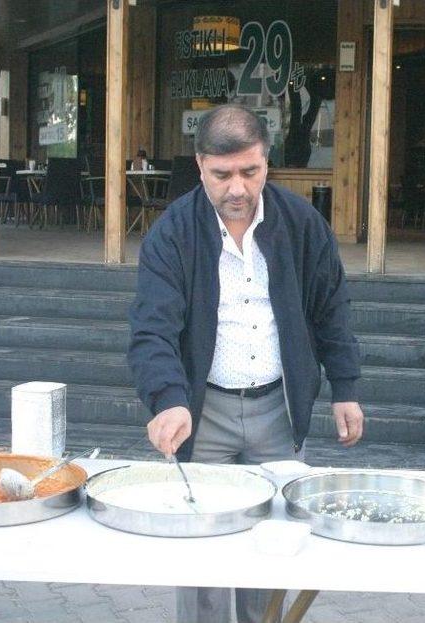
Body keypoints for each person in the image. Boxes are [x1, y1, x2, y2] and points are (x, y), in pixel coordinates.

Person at [128, 104, 364, 623]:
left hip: (277, 412)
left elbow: (331, 306)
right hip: (203, 412)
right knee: (203, 561)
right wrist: (167, 400)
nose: (237, 188)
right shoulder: (172, 232)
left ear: (266, 164)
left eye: (250, 172)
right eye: (222, 174)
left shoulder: (301, 223)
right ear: (199, 166)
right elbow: (153, 328)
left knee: (271, 554)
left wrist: (345, 386)